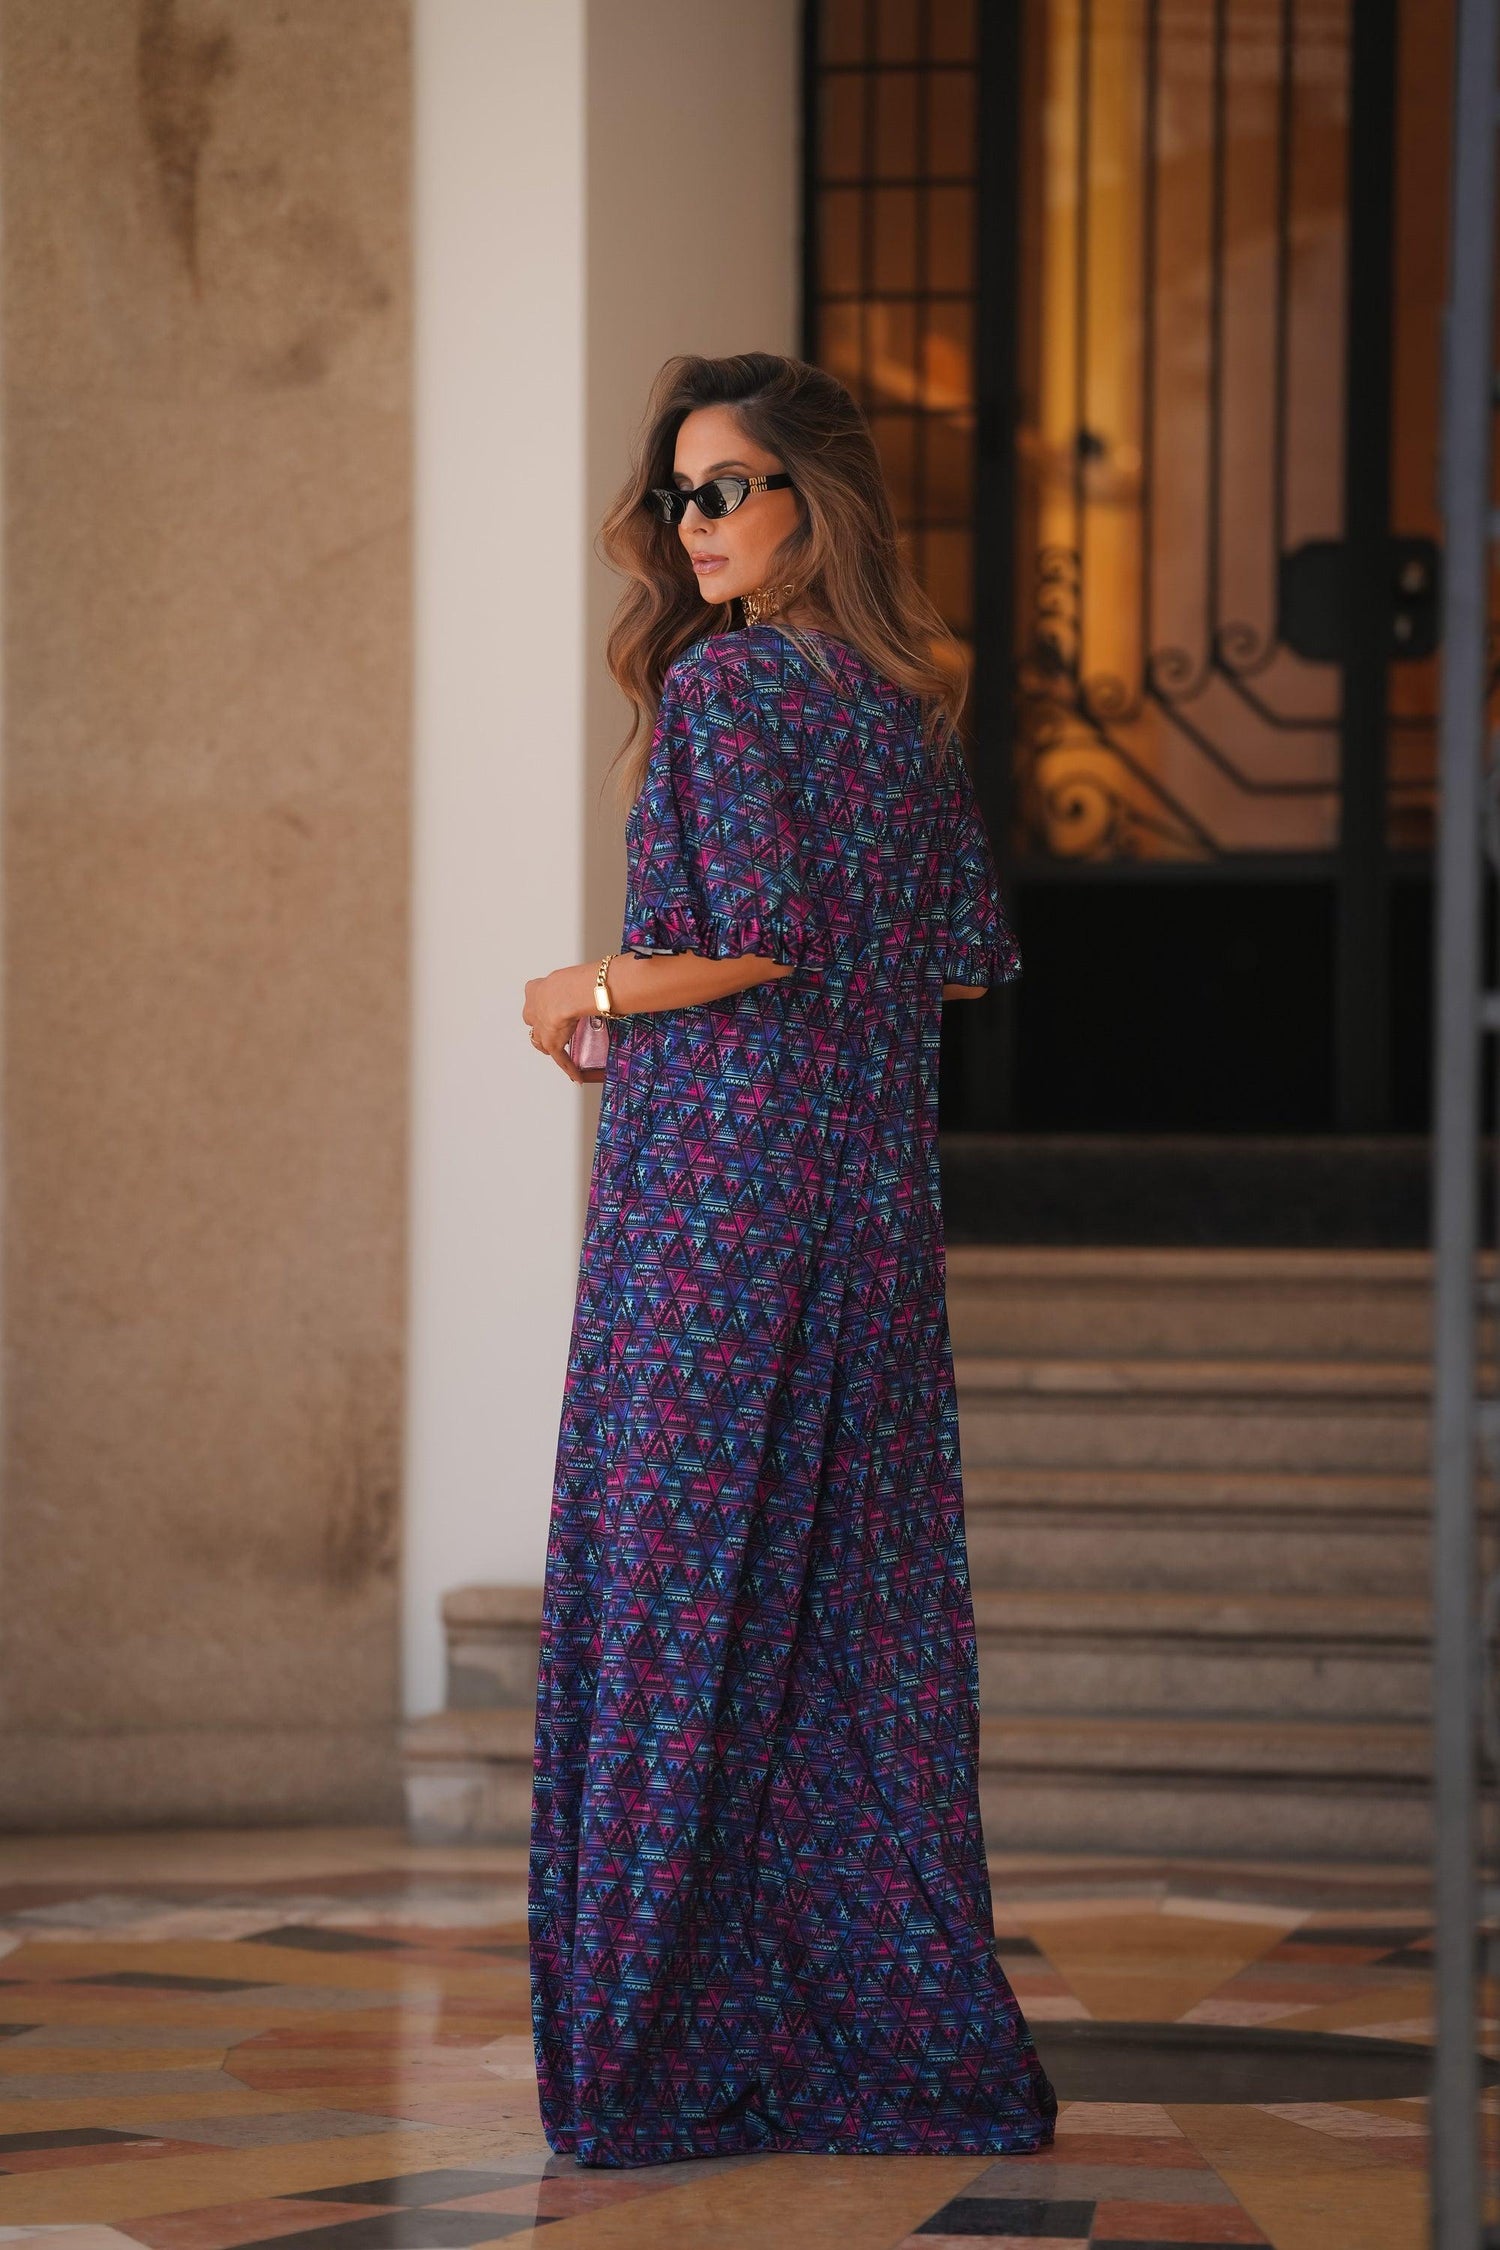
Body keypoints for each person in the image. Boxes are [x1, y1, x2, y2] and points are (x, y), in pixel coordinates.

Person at [522, 351, 1057, 2168]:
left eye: (725, 489)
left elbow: (755, 939)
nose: (694, 525)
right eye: (677, 494)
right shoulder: (902, 705)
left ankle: (663, 2051)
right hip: (862, 1214)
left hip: (711, 1223)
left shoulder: (734, 689)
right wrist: (714, 1025)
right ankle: (883, 2037)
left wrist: (588, 987)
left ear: (810, 500)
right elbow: (949, 961)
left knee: (677, 1609)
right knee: (849, 1633)